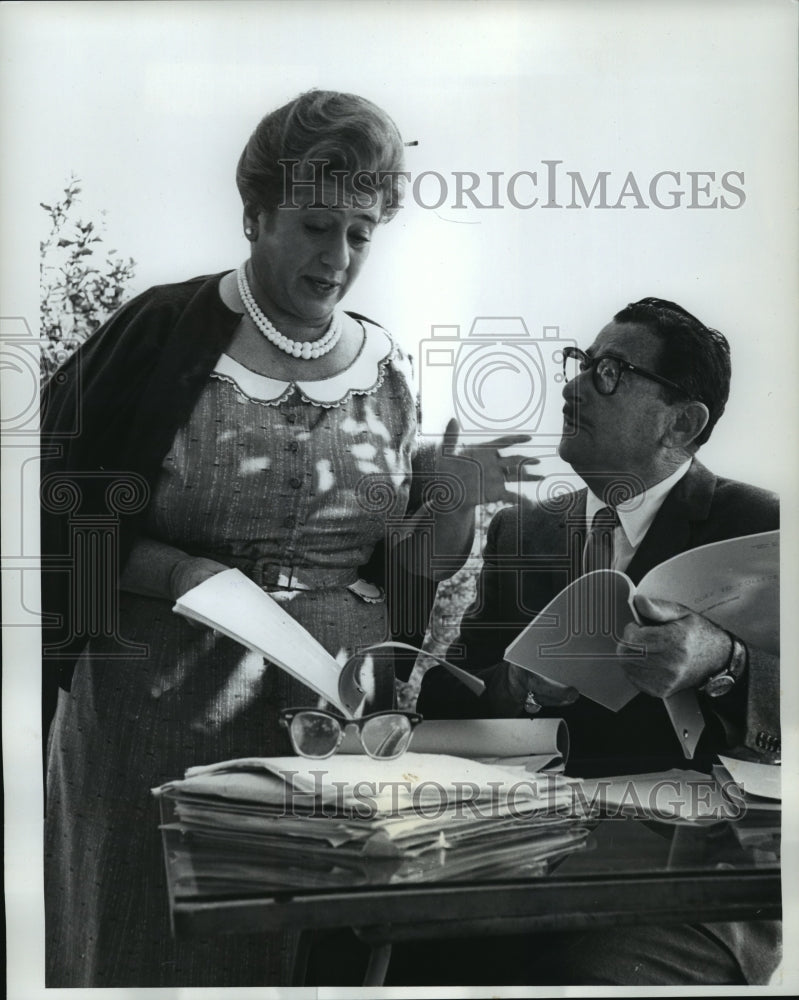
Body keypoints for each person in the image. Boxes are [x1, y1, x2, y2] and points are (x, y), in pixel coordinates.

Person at [40, 89, 530, 988]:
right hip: (157, 720)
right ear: (254, 215)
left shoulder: (385, 371)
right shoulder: (158, 334)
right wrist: (182, 567)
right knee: (151, 953)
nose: (335, 257)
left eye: (359, 232)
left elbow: (404, 585)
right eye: (312, 225)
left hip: (332, 727)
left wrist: (453, 507)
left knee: (307, 964)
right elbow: (56, 516)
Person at [415, 297, 780, 985]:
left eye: (610, 371)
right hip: (516, 864)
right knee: (378, 953)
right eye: (581, 363)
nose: (574, 384)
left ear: (681, 421)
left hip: (687, 894)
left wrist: (723, 662)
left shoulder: (762, 528)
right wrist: (510, 687)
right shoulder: (521, 533)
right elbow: (450, 700)